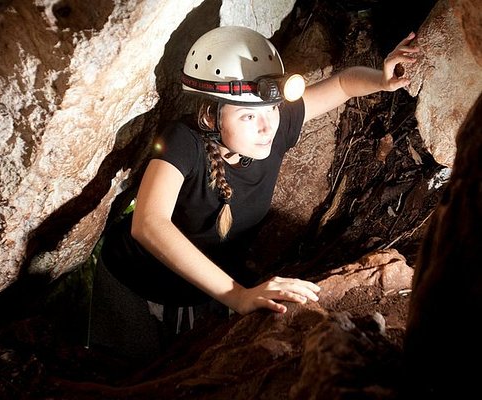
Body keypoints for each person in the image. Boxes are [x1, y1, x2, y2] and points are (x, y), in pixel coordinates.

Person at [89, 26, 418, 360]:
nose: (267, 127)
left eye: (272, 109)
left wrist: (383, 79)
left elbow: (345, 83)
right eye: (248, 115)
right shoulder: (183, 142)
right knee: (126, 372)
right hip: (133, 281)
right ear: (209, 116)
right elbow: (147, 224)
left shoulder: (272, 129)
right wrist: (238, 296)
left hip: (201, 291)